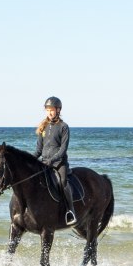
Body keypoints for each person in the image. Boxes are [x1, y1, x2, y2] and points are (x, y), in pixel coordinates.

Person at [35, 96, 75, 225]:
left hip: (59, 163)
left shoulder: (64, 127)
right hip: (44, 163)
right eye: (47, 110)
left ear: (58, 110)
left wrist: (51, 161)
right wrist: (28, 160)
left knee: (62, 183)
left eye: (52, 110)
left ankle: (70, 211)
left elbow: (63, 150)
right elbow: (38, 151)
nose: (50, 112)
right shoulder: (43, 127)